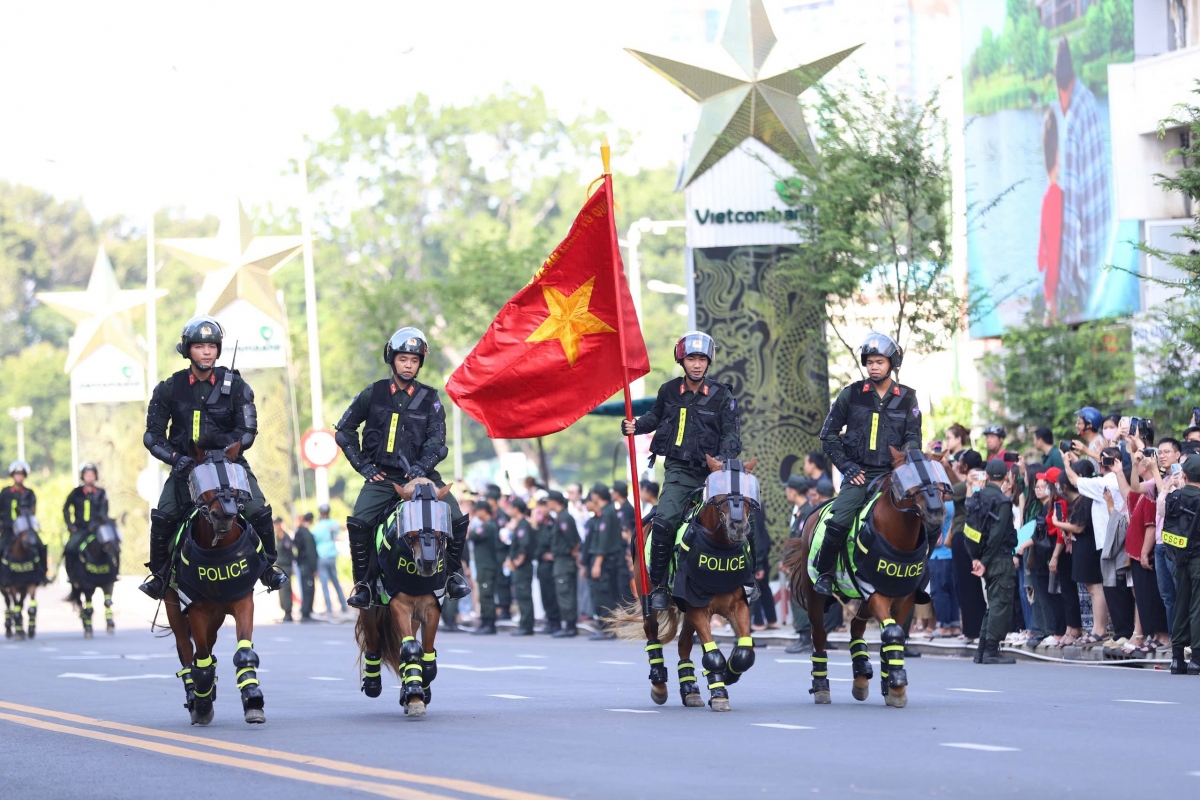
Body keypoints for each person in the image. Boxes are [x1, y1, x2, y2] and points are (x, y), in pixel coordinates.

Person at [139, 316, 286, 599]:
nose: (206, 352)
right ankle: (159, 576)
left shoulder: (238, 385)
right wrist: (174, 458)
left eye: (211, 346)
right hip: (187, 467)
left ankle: (269, 567)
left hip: (229, 466)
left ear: (218, 349)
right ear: (187, 350)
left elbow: (248, 432)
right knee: (163, 516)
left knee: (258, 511)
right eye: (199, 346)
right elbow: (152, 436)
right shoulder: (169, 387)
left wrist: (230, 451)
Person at [334, 326, 469, 609]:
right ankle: (364, 585)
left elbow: (438, 442)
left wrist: (421, 467)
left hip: (423, 478)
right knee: (359, 522)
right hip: (383, 477)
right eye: (403, 359)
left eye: (414, 360)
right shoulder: (373, 393)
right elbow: (344, 430)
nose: (408, 365)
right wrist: (364, 467)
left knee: (456, 519)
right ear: (391, 358)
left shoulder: (430, 397)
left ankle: (453, 576)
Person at [622, 331, 741, 611]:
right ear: (682, 360)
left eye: (701, 358)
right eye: (691, 358)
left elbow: (732, 436)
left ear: (708, 361)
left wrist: (720, 462)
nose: (697, 364)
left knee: (742, 515)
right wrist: (636, 426)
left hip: (714, 473)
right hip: (678, 472)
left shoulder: (723, 396)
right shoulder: (668, 390)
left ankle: (747, 582)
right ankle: (661, 586)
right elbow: (654, 417)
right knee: (664, 522)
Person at [812, 332, 922, 596]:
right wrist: (846, 466)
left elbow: (914, 438)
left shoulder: (908, 398)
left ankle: (918, 578)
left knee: (925, 516)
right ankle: (824, 573)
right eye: (870, 361)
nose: (874, 366)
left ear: (892, 363)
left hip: (894, 475)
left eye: (880, 362)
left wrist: (904, 465)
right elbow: (828, 434)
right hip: (858, 473)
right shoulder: (851, 394)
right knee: (840, 519)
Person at [1055, 36, 1111, 317]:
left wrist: (1059, 290)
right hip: (1105, 245)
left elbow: (1069, 215)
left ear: (1060, 88)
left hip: (1089, 263)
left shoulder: (1072, 121)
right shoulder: (1089, 98)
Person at [1064, 448, 1126, 643]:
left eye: (1105, 461)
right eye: (1100, 461)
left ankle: (1114, 632)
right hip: (1109, 540)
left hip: (1114, 540)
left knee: (1114, 589)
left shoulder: (1109, 481)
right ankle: (1116, 632)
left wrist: (1066, 463)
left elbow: (1074, 481)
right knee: (1111, 588)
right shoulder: (1109, 480)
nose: (1101, 464)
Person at [964, 459, 1018, 664]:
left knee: (993, 604)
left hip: (982, 558)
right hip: (998, 558)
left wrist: (975, 558)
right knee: (1000, 604)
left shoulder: (976, 498)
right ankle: (991, 651)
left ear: (986, 476)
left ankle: (982, 650)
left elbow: (968, 531)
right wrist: (984, 561)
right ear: (1005, 477)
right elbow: (996, 535)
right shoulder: (1002, 501)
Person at [1162, 454, 1200, 674]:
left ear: (1184, 475)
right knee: (1197, 607)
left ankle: (1177, 658)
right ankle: (1196, 658)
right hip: (1197, 559)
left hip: (1177, 557)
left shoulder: (1173, 497)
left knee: (1180, 604)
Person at [950, 450, 987, 641]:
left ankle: (972, 630)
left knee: (966, 584)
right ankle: (971, 629)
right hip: (974, 536)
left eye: (959, 462)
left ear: (964, 466)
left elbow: (949, 493)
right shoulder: (974, 482)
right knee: (968, 584)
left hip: (964, 535)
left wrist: (949, 468)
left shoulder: (966, 486)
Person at [586, 484, 623, 640]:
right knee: (602, 593)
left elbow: (604, 541)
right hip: (607, 560)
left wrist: (597, 563)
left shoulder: (607, 513)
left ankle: (608, 629)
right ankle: (605, 627)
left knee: (604, 594)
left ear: (596, 495)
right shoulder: (605, 512)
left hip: (606, 560)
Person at [1037, 106, 1063, 320]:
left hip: (1054, 281)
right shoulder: (1057, 197)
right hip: (1055, 280)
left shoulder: (1049, 199)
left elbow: (1042, 254)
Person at [546, 490, 582, 638]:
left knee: (565, 593)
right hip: (560, 560)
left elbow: (573, 541)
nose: (547, 504)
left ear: (555, 501)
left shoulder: (564, 518)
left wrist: (574, 554)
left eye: (549, 501)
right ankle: (567, 624)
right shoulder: (559, 518)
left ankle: (570, 626)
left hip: (565, 561)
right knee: (563, 593)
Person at [62, 462, 108, 572]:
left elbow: (104, 510)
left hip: (98, 529)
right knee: (69, 548)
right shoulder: (76, 492)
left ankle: (113, 573)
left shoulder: (101, 493)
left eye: (92, 474)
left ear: (96, 476)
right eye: (87, 474)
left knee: (112, 545)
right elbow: (66, 508)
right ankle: (72, 576)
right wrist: (70, 525)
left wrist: (96, 524)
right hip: (80, 529)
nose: (90, 477)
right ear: (82, 476)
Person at [2, 461, 44, 580]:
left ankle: (42, 574)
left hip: (25, 530)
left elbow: (33, 510)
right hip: (8, 529)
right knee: (1, 548)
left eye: (21, 474)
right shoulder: (5, 493)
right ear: (12, 476)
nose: (19, 477)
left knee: (40, 546)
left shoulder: (29, 493)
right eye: (17, 474)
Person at [503, 498, 535, 636]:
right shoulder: (519, 525)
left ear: (516, 508)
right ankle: (524, 624)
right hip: (518, 567)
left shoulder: (523, 525)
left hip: (523, 568)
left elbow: (524, 547)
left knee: (524, 595)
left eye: (511, 507)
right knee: (521, 596)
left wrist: (516, 562)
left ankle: (527, 626)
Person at [469, 502, 502, 635]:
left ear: (484, 510)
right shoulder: (485, 525)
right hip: (482, 565)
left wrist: (472, 530)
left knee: (486, 595)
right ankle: (484, 622)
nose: (476, 514)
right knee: (483, 596)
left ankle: (489, 623)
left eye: (477, 511)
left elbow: (470, 535)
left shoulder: (489, 526)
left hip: (487, 566)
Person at [309, 504, 347, 616]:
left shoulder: (316, 527)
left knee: (324, 584)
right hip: (332, 556)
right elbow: (342, 528)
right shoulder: (334, 523)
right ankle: (344, 606)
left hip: (321, 557)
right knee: (336, 582)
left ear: (320, 513)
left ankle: (329, 609)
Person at [531, 497, 560, 634]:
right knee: (544, 594)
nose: (542, 509)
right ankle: (549, 620)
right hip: (541, 564)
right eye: (540, 506)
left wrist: (553, 554)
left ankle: (555, 622)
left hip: (550, 564)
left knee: (551, 594)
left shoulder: (553, 523)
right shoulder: (540, 524)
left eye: (544, 506)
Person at [292, 513, 318, 621]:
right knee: (308, 589)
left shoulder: (298, 532)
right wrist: (314, 568)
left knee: (305, 588)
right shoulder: (306, 534)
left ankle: (306, 611)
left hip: (301, 564)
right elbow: (310, 552)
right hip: (306, 565)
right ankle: (306, 613)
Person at [274, 518, 296, 622]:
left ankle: (288, 612)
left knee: (286, 590)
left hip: (286, 566)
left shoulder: (285, 536)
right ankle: (285, 611)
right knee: (281, 591)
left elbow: (289, 552)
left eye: (277, 524)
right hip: (280, 566)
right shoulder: (278, 537)